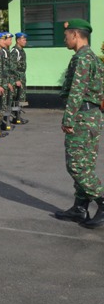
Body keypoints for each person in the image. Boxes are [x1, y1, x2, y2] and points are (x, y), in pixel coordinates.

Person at [55, 19, 104, 228]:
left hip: (82, 117)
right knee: (85, 164)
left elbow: (77, 90)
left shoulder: (83, 58)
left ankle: (101, 200)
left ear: (75, 35)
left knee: (76, 165)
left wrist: (68, 118)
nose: (64, 39)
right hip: (90, 116)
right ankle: (80, 207)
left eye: (66, 35)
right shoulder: (91, 57)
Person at [11, 32, 29, 124]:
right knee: (17, 97)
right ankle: (16, 117)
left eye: (25, 39)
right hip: (18, 76)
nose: (25, 41)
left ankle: (18, 116)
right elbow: (12, 67)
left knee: (21, 97)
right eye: (23, 39)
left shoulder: (21, 50)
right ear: (18, 40)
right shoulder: (15, 51)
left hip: (22, 76)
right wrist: (16, 79)